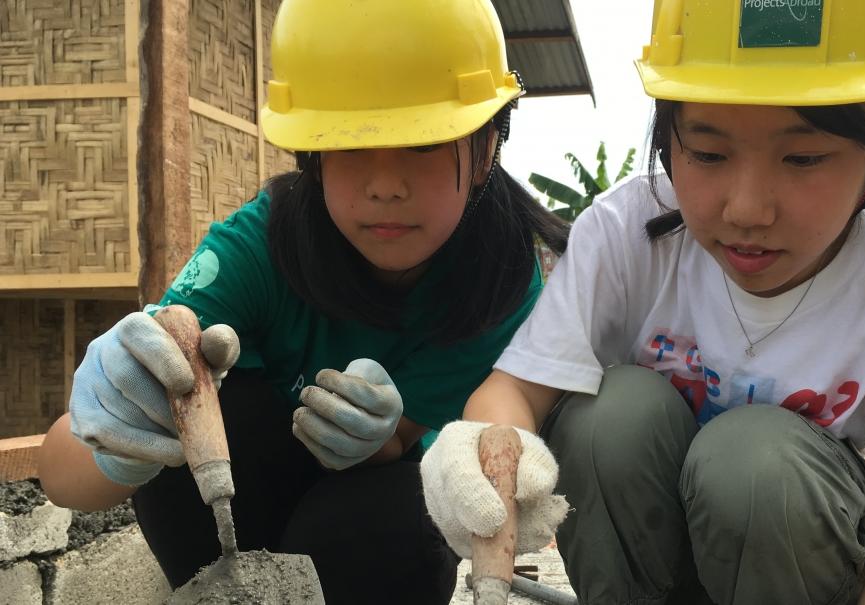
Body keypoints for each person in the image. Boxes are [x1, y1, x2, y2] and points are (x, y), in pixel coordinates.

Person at [421, 1, 865, 604]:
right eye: (708, 154)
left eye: (803, 158)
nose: (747, 209)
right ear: (667, 136)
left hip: (798, 573)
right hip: (647, 578)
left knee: (755, 464)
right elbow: (515, 391)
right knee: (610, 415)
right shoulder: (627, 232)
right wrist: (478, 451)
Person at [37, 1, 567, 603]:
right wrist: (114, 433)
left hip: (366, 536)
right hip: (226, 522)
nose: (384, 185)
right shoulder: (260, 248)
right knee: (193, 403)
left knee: (409, 510)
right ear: (310, 156)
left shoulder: (495, 280)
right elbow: (59, 474)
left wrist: (381, 441)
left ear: (487, 149)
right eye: (350, 143)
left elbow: (406, 445)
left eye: (424, 144)